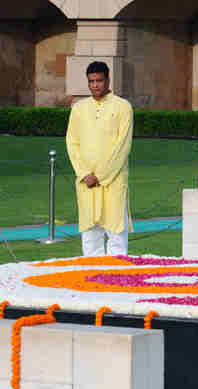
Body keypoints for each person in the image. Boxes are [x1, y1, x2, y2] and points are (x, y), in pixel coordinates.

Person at [65, 61, 134, 256]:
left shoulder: (123, 107)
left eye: (99, 80)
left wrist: (101, 176)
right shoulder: (79, 108)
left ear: (108, 80)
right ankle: (91, 279)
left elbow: (123, 147)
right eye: (91, 81)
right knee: (90, 233)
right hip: (86, 181)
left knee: (116, 232)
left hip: (113, 179)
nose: (95, 85)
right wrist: (85, 174)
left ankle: (116, 280)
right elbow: (72, 143)